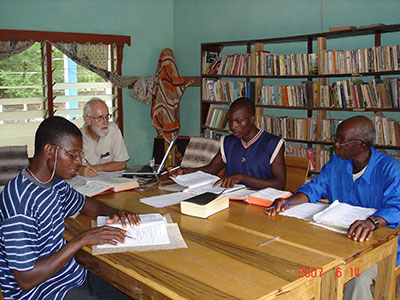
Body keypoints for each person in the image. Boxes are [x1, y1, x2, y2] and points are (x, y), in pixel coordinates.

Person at [0, 116, 140, 300]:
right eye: (72, 154)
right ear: (49, 150)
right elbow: (26, 279)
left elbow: (86, 204)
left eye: (79, 154)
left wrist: (115, 212)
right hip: (40, 291)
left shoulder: (54, 184)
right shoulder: (19, 202)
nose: (78, 162)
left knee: (133, 292)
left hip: (69, 276)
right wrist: (81, 240)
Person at [266, 115, 400, 300]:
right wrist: (289, 201)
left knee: (356, 276)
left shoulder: (390, 168)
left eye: (341, 140)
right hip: (337, 236)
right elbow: (316, 187)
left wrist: (371, 222)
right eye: (336, 138)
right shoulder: (338, 162)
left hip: (376, 242)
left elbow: (396, 207)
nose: (335, 144)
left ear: (361, 145)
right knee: (297, 256)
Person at [170, 97, 286, 189]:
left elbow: (279, 184)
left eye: (239, 121)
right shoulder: (228, 142)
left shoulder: (272, 144)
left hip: (261, 201)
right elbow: (212, 169)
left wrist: (241, 178)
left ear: (251, 120)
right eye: (230, 121)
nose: (233, 126)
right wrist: (184, 170)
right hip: (232, 198)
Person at [79, 97, 129, 177]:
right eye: (100, 118)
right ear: (88, 120)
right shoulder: (77, 138)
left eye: (107, 116)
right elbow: (69, 168)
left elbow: (121, 163)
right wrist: (80, 169)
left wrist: (95, 168)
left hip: (110, 182)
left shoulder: (113, 130)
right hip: (87, 185)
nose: (105, 122)